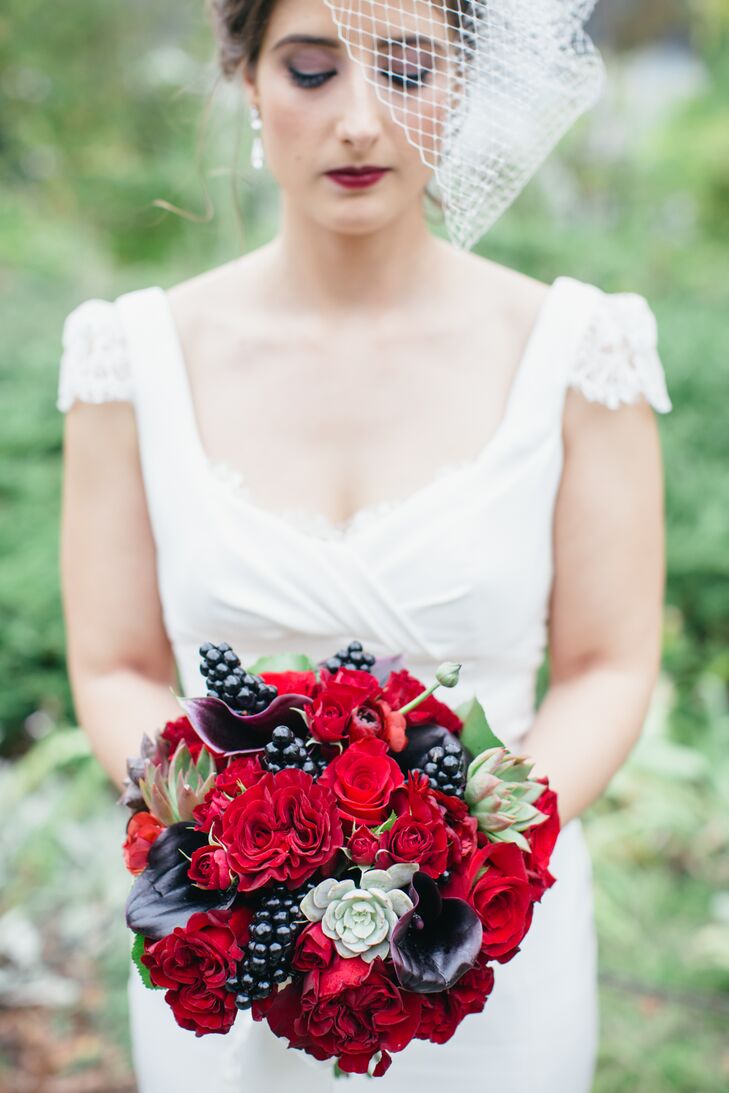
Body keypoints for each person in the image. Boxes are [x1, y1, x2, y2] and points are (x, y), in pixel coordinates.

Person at [56, 0, 673, 1089]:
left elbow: (605, 664)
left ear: (463, 84)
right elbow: (116, 663)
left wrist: (466, 849)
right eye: (309, 71)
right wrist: (239, 847)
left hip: (488, 941)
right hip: (234, 943)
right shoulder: (134, 355)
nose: (358, 120)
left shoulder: (579, 348)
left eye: (405, 66)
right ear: (246, 79)